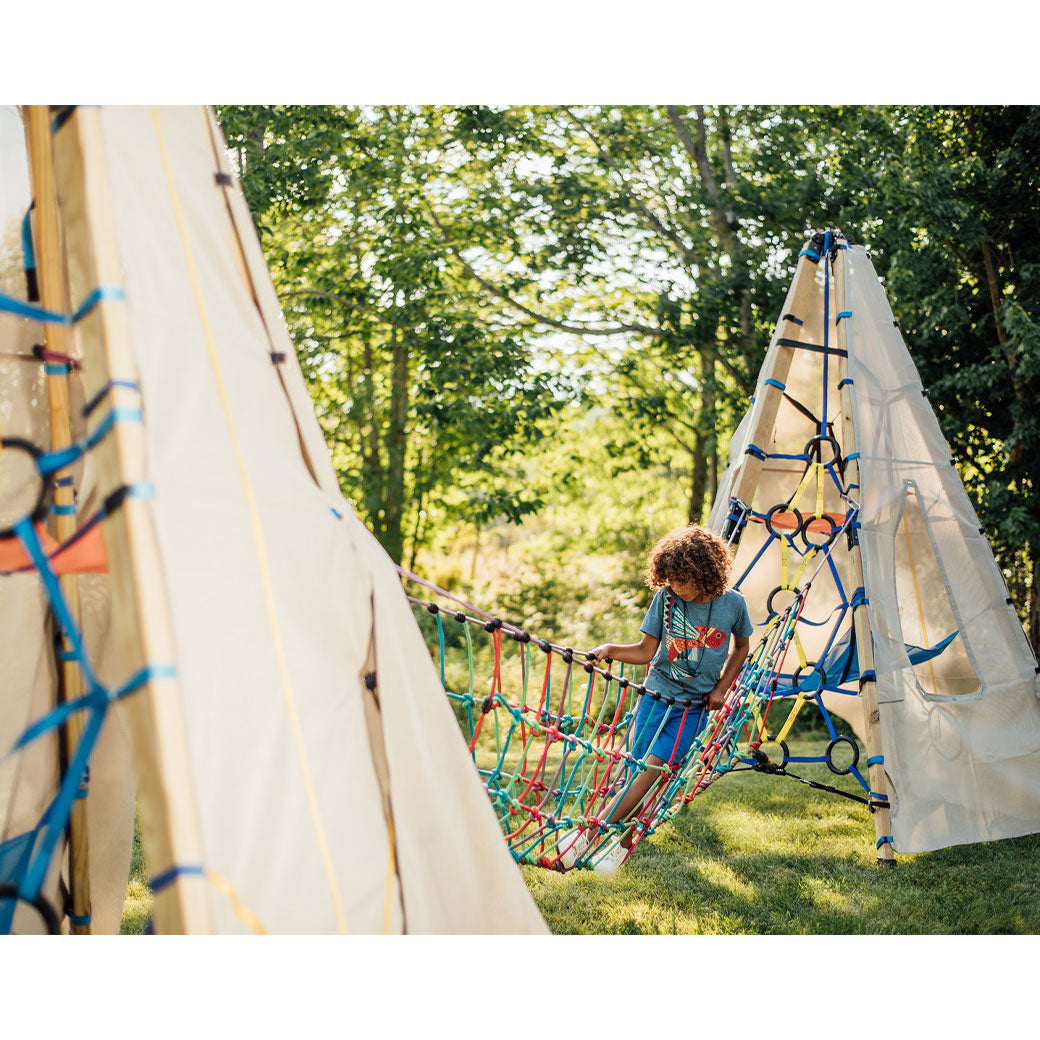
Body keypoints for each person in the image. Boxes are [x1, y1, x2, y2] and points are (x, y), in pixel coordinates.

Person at [557, 524, 753, 877]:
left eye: (681, 580)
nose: (675, 586)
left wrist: (722, 686)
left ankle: (592, 836)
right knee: (633, 771)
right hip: (655, 697)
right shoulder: (666, 599)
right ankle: (621, 842)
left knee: (655, 772)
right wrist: (610, 650)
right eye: (670, 579)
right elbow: (647, 650)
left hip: (692, 709)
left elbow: (742, 648)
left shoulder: (734, 605)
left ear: (704, 573)